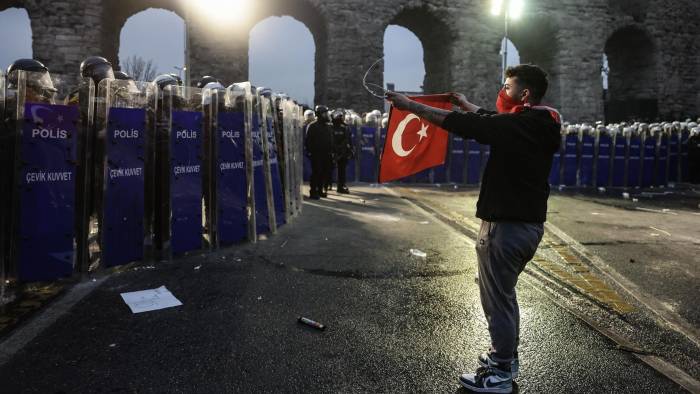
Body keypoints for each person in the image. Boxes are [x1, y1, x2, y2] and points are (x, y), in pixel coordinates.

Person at [386, 64, 561, 394]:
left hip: (506, 227)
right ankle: (504, 360)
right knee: (503, 299)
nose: (502, 91)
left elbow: (468, 127)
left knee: (498, 302)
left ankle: (500, 373)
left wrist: (411, 106)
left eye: (507, 86)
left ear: (524, 94)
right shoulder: (536, 124)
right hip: (524, 225)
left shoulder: (521, 125)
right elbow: (489, 122)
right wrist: (467, 104)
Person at [305, 105, 333, 199]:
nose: (326, 115)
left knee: (324, 173)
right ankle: (313, 192)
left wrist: (332, 150)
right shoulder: (312, 126)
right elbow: (308, 141)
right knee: (316, 173)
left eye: (326, 113)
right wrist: (311, 152)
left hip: (326, 154)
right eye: (324, 113)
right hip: (316, 154)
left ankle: (320, 190)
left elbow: (330, 139)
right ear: (320, 114)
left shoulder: (327, 126)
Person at [330, 109, 352, 193]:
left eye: (341, 117)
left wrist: (349, 149)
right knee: (327, 169)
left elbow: (348, 139)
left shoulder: (345, 127)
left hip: (342, 151)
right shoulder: (330, 126)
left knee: (342, 170)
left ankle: (341, 186)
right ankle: (326, 185)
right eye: (339, 117)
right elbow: (329, 139)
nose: (341, 118)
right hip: (332, 151)